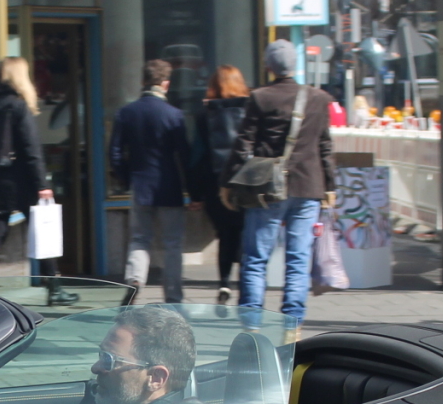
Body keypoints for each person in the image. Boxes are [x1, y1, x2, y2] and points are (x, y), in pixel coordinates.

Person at [229, 39, 333, 335]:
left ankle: (251, 325)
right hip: (309, 187)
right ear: (296, 65)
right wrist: (330, 185)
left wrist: (230, 181)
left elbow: (243, 144)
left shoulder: (260, 97)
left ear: (268, 67)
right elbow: (325, 145)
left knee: (255, 258)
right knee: (298, 259)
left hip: (267, 189)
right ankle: (292, 324)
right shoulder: (319, 98)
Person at [69, 307, 219, 404]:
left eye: (109, 360)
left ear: (155, 378)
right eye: (101, 355)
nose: (96, 367)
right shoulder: (123, 403)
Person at [110, 58, 192, 302]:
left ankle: (135, 280)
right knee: (172, 243)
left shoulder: (127, 112)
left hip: (140, 185)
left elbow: (114, 153)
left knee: (139, 239)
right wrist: (193, 190)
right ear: (165, 84)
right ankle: (174, 295)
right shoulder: (174, 115)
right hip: (169, 186)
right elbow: (184, 155)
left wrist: (126, 178)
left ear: (143, 81)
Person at [0, 57, 53, 277]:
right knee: (42, 232)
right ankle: (53, 286)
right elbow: (31, 148)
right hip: (22, 178)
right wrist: (42, 184)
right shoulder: (18, 106)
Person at [190, 65, 253, 307]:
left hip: (216, 184)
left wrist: (195, 193)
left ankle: (224, 281)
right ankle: (247, 287)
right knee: (248, 235)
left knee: (225, 235)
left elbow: (197, 154)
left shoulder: (205, 114)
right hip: (248, 184)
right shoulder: (251, 109)